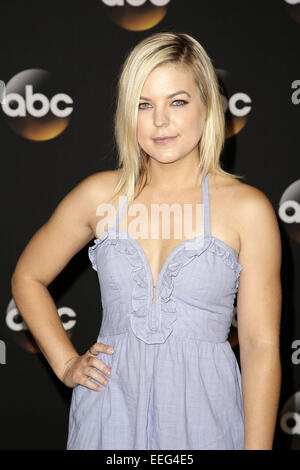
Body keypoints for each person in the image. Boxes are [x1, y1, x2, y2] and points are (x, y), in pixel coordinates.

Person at [11, 32, 282, 450]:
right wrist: (66, 364)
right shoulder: (100, 196)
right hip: (108, 414)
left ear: (206, 104)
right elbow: (27, 277)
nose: (160, 121)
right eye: (144, 104)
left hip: (205, 419)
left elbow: (259, 345)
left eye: (177, 101)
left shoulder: (248, 209)